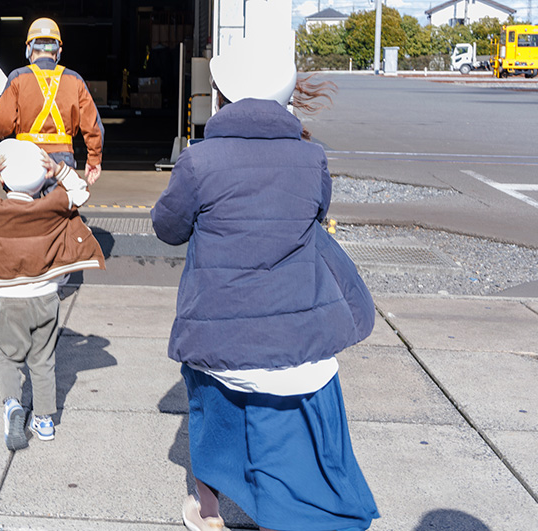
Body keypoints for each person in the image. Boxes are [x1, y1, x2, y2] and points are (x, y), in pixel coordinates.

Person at [151, 41, 379, 531]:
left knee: (209, 412)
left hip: (220, 333)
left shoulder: (199, 160)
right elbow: (316, 215)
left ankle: (209, 511)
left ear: (221, 98)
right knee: (289, 444)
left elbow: (168, 228)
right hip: (300, 334)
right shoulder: (311, 157)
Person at [0, 138, 106, 450]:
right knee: (43, 359)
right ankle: (45, 421)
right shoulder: (51, 206)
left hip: (10, 298)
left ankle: (12, 406)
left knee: (10, 357)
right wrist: (59, 170)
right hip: (47, 297)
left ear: (3, 178)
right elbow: (81, 192)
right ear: (43, 179)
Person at [0, 18, 105, 188]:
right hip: (62, 159)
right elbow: (92, 125)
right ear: (58, 50)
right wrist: (94, 158)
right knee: (59, 211)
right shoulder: (75, 79)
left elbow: (2, 123)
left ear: (29, 48)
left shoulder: (17, 78)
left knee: (25, 210)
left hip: (25, 156)